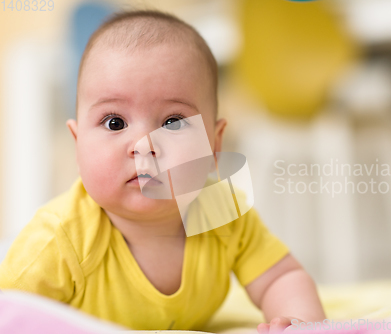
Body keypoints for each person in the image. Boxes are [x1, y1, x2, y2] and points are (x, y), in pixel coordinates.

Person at [0, 9, 325, 333]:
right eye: (115, 122)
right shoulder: (59, 239)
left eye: (172, 121)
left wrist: (299, 323)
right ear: (77, 144)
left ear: (214, 145)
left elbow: (279, 277)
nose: (144, 144)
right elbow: (10, 311)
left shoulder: (221, 209)